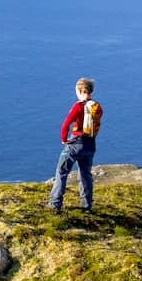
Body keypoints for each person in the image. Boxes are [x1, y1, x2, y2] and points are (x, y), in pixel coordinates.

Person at [49, 78, 102, 213]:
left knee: (61, 172)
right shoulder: (97, 106)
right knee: (85, 175)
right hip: (90, 144)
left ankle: (55, 204)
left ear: (79, 91)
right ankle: (86, 206)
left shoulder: (78, 106)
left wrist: (64, 139)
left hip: (75, 143)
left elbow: (66, 124)